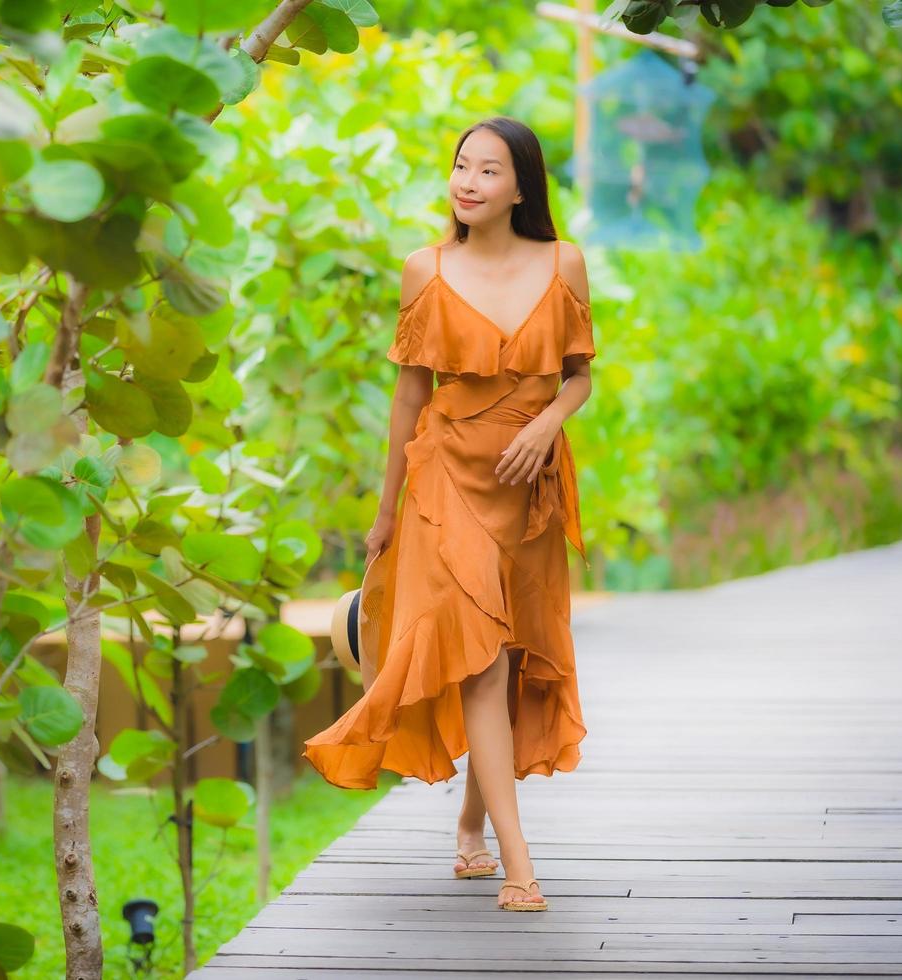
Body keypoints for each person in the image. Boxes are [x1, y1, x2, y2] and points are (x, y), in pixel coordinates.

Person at [302, 116, 597, 914]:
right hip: (447, 482)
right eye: (461, 167)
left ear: (522, 187)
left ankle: (471, 819)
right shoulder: (424, 270)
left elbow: (578, 376)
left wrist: (546, 426)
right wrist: (385, 511)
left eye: (488, 171)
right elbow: (409, 398)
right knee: (480, 658)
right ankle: (519, 864)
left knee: (507, 662)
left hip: (527, 487)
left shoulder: (562, 262)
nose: (467, 182)